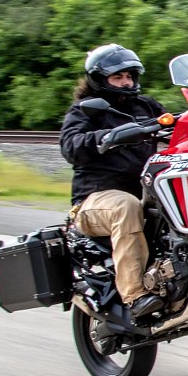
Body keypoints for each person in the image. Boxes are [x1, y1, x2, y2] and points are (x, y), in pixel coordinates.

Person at [60, 43, 166, 318]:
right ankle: (134, 295)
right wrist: (107, 136)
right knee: (125, 206)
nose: (126, 82)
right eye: (117, 77)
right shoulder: (85, 110)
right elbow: (70, 146)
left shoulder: (146, 106)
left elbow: (175, 127)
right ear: (99, 80)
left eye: (129, 76)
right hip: (95, 201)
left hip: (144, 193)